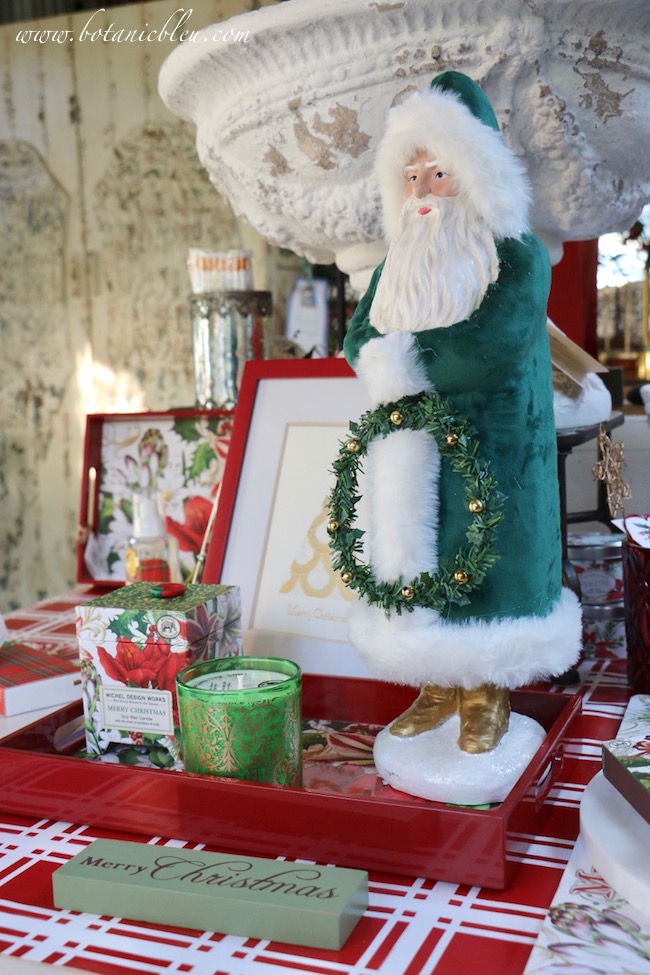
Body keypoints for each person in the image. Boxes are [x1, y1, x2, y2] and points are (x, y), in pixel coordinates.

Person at [336, 71, 582, 755]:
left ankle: (486, 692)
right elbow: (360, 334)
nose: (421, 190)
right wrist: (383, 358)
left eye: (437, 172)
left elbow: (491, 349)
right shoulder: (396, 264)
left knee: (491, 573)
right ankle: (439, 684)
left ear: (473, 176)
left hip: (499, 456)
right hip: (417, 458)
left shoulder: (518, 256)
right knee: (425, 570)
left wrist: (403, 365)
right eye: (411, 176)